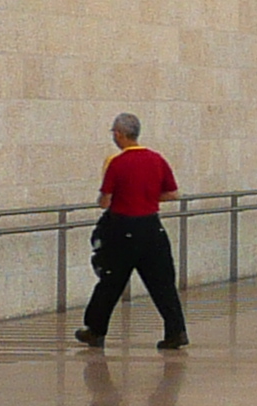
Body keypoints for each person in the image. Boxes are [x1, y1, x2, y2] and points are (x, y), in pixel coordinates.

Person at [78, 112, 189, 350]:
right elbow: (173, 194)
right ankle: (176, 331)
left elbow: (105, 200)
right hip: (152, 228)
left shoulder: (117, 163)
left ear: (118, 134)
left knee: (110, 282)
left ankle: (95, 330)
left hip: (123, 230)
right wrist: (148, 198)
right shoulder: (157, 159)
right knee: (163, 283)